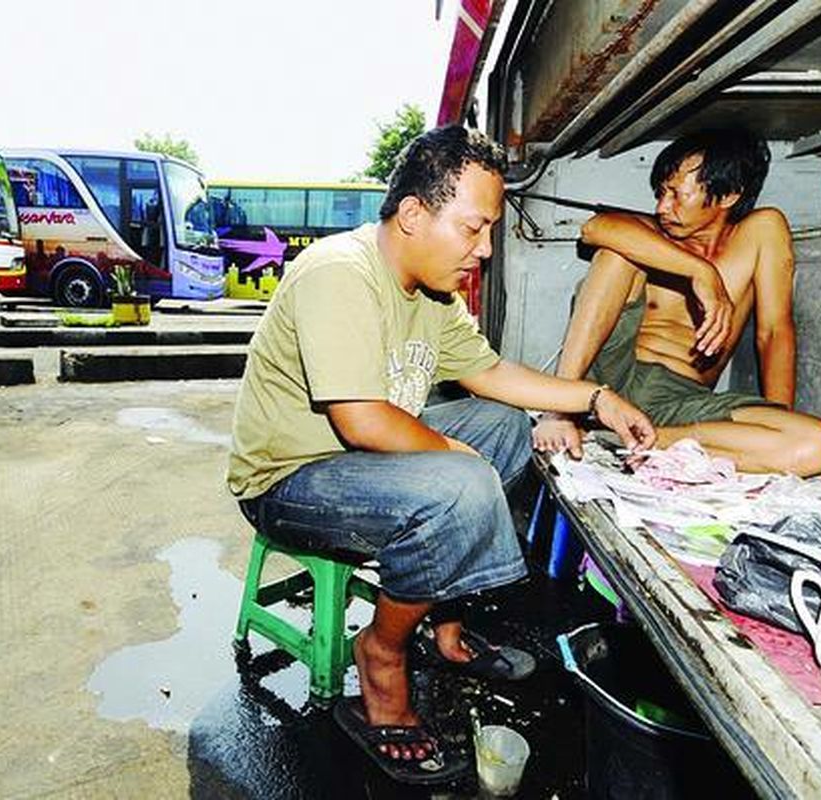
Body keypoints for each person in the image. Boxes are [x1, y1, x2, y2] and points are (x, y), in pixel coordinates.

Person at [227, 126, 655, 785]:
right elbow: (362, 419)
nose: (483, 250)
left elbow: (493, 375)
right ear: (412, 215)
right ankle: (383, 653)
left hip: (360, 463)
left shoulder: (434, 294)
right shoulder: (340, 275)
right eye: (473, 229)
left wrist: (597, 398)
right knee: (460, 482)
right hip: (287, 479)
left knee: (509, 427)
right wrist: (458, 463)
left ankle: (439, 622)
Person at [532, 128, 821, 476]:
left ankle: (635, 439)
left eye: (677, 194)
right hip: (609, 379)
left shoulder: (761, 232)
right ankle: (559, 411)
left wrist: (777, 417)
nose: (663, 207)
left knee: (818, 445)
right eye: (661, 193)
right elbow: (595, 229)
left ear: (729, 195)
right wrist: (701, 272)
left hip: (682, 399)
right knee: (616, 253)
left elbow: (774, 332)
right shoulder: (650, 236)